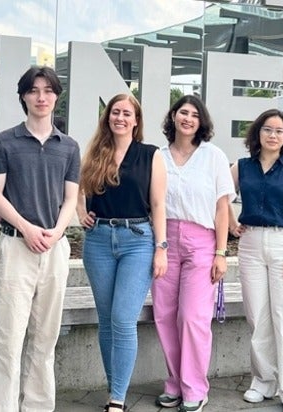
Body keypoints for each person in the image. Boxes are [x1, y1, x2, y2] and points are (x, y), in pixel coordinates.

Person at [0, 65, 81, 412]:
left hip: (54, 249)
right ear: (24, 96)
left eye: (48, 91)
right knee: (8, 340)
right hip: (16, 246)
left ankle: (38, 406)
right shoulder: (4, 142)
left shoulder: (68, 147)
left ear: (56, 97)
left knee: (45, 338)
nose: (42, 97)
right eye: (34, 90)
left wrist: (56, 233)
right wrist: (26, 227)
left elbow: (70, 199)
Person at [77, 93, 168, 412]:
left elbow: (158, 204)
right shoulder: (95, 151)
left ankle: (117, 398)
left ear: (136, 120)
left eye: (127, 113)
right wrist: (80, 212)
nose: (120, 118)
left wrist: (161, 248)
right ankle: (113, 388)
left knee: (123, 319)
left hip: (137, 240)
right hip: (98, 240)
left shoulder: (150, 155)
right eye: (115, 112)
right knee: (106, 320)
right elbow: (76, 189)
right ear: (108, 117)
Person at [152, 95, 234, 412]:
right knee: (164, 315)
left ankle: (195, 387)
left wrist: (221, 253)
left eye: (194, 115)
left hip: (202, 241)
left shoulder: (213, 156)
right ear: (173, 117)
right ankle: (175, 383)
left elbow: (222, 208)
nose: (188, 118)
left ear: (202, 122)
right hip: (165, 240)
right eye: (183, 112)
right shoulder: (158, 157)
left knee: (193, 316)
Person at [230, 109, 283, 412]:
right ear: (258, 132)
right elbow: (221, 198)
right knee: (258, 317)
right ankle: (263, 380)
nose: (273, 135)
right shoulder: (241, 167)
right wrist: (231, 222)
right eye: (267, 129)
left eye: (279, 131)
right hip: (251, 244)